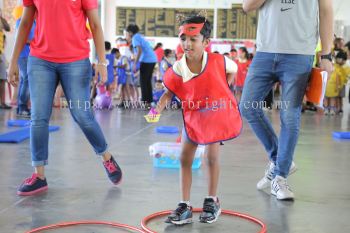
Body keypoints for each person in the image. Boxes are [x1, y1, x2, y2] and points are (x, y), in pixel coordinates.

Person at [8, 0, 122, 196]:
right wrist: (13, 61)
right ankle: (39, 175)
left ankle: (106, 157)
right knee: (38, 117)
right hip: (40, 60)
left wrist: (102, 62)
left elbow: (95, 24)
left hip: (76, 61)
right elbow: (25, 22)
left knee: (82, 116)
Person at [147, 14, 241, 225]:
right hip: (193, 118)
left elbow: (232, 70)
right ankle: (185, 205)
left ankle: (212, 200)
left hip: (215, 116)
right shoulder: (179, 67)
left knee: (211, 157)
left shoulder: (219, 60)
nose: (187, 44)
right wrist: (155, 112)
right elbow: (168, 93)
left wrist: (223, 91)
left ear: (206, 42)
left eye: (193, 39)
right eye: (183, 39)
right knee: (184, 158)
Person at [241, 0, 333, 200]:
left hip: (300, 55)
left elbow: (326, 10)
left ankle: (280, 177)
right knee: (247, 107)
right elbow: (247, 6)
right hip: (265, 52)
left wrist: (327, 54)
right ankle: (280, 160)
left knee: (289, 116)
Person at [124, 24, 157, 107]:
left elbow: (139, 50)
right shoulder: (139, 36)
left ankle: (145, 102)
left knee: (143, 82)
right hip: (152, 59)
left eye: (127, 33)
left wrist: (135, 63)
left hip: (146, 60)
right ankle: (149, 102)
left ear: (130, 32)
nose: (127, 34)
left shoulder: (135, 38)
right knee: (147, 82)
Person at [15, 12, 36, 117]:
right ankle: (22, 106)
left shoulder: (36, 22)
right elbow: (20, 38)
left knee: (25, 80)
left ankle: (21, 107)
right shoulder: (21, 20)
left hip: (32, 55)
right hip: (23, 55)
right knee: (27, 79)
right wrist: (35, 41)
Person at [324, 50, 349, 115]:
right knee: (333, 97)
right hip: (331, 85)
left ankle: (338, 109)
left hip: (339, 85)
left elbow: (340, 77)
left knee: (337, 97)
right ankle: (333, 109)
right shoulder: (335, 66)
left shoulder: (343, 67)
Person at [0, 9, 11, 109]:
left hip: (1, 54)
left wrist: (1, 17)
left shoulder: (1, 22)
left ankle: (2, 102)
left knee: (3, 79)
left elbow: (7, 28)